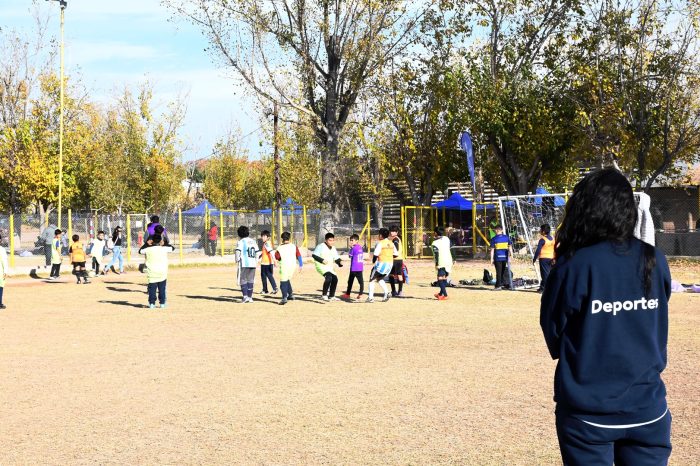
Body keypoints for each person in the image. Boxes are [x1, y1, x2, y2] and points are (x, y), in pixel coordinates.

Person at [540, 168, 672, 466]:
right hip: (648, 410)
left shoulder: (573, 267)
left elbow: (554, 334)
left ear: (582, 210)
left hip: (589, 416)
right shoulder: (655, 259)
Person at [139, 234, 175, 309]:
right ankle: (162, 303)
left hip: (152, 273)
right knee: (162, 289)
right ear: (160, 241)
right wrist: (164, 243)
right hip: (162, 272)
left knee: (152, 290)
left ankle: (152, 304)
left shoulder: (148, 249)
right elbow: (172, 248)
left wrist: (146, 244)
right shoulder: (164, 248)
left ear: (151, 241)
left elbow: (140, 251)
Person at [366, 228, 396, 303]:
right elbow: (395, 254)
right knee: (379, 279)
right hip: (389, 265)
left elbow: (375, 254)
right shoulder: (391, 243)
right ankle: (387, 292)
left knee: (372, 280)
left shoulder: (381, 243)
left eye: (379, 234)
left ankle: (370, 297)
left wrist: (373, 261)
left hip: (381, 264)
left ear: (381, 235)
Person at [274, 231, 303, 305]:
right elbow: (298, 255)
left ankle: (284, 298)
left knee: (283, 282)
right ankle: (290, 295)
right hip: (292, 266)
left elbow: (277, 257)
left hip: (284, 266)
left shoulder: (280, 247)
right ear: (289, 238)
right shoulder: (293, 246)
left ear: (282, 239)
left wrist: (278, 259)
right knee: (287, 280)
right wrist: (301, 265)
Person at [312, 232, 343, 301]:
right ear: (326, 240)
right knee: (328, 277)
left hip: (329, 267)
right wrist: (321, 260)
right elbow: (314, 255)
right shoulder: (320, 246)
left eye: (333, 240)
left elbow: (336, 258)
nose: (331, 242)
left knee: (335, 279)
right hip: (320, 266)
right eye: (330, 240)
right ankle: (324, 295)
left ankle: (331, 296)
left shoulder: (333, 248)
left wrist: (340, 262)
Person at [235, 225, 260, 303]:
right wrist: (256, 260)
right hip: (253, 263)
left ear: (239, 234)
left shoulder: (241, 242)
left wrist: (237, 259)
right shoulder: (253, 241)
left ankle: (245, 296)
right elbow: (257, 252)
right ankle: (250, 297)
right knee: (250, 280)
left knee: (243, 279)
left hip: (244, 264)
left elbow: (238, 251)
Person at [431, 227, 453, 300]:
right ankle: (440, 294)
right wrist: (454, 258)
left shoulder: (434, 243)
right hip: (449, 260)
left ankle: (445, 295)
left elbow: (436, 255)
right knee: (444, 277)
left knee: (439, 278)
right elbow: (451, 248)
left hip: (441, 262)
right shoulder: (446, 239)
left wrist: (437, 264)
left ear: (436, 233)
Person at [341, 234, 364, 300]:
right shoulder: (360, 247)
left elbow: (350, 256)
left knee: (350, 281)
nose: (351, 242)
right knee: (361, 282)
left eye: (352, 240)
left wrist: (351, 248)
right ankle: (360, 294)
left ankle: (348, 294)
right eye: (350, 240)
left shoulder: (353, 248)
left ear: (357, 241)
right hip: (360, 267)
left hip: (354, 268)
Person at [532, 224, 555, 292]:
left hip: (544, 258)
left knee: (544, 274)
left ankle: (545, 289)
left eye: (541, 230)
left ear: (543, 231)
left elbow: (538, 250)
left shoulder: (542, 240)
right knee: (547, 273)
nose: (540, 231)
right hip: (551, 257)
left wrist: (534, 258)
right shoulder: (553, 238)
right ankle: (542, 287)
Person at [490, 225, 513, 289]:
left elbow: (492, 250)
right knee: (502, 271)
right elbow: (510, 247)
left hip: (497, 258)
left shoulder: (494, 239)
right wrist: (511, 256)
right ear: (502, 230)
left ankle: (498, 286)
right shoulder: (506, 237)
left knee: (498, 272)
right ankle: (503, 283)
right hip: (505, 257)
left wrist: (491, 259)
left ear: (496, 230)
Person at [259, 230, 278, 295]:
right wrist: (260, 256)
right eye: (262, 236)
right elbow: (266, 252)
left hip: (267, 263)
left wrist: (275, 260)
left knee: (269, 275)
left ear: (268, 237)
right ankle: (265, 289)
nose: (263, 237)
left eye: (264, 236)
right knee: (264, 276)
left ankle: (274, 288)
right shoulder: (267, 243)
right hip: (265, 262)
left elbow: (271, 252)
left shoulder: (267, 243)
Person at [388, 225, 405, 297]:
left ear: (397, 232)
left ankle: (395, 291)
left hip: (395, 259)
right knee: (399, 275)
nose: (392, 232)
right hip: (399, 260)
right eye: (391, 231)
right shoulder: (397, 239)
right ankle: (398, 291)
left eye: (394, 231)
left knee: (392, 275)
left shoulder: (395, 240)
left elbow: (396, 250)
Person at [0, 232, 8, 309]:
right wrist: (5, 271)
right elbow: (4, 261)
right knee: (0, 287)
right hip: (0, 272)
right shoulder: (2, 250)